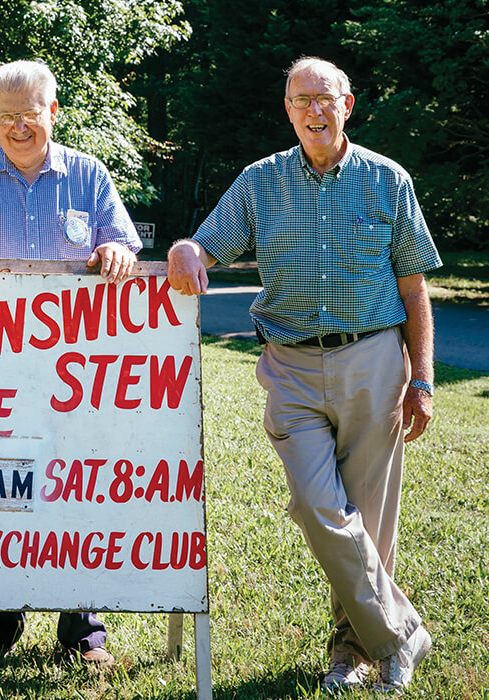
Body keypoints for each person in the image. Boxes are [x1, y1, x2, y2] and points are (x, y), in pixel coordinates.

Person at [167, 57, 440, 693]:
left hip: (373, 360)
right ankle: (401, 633)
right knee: (318, 506)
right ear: (287, 110)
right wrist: (185, 249)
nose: (313, 110)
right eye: (299, 100)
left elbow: (414, 284)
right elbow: (205, 249)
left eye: (324, 98)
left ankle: (355, 650)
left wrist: (421, 379)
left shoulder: (387, 179)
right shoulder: (261, 183)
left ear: (348, 104)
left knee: (367, 521)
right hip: (289, 369)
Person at [0, 59, 142, 666]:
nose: (20, 126)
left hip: (76, 372)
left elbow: (121, 242)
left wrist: (113, 251)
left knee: (80, 484)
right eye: (7, 116)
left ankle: (82, 623)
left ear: (54, 112)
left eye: (31, 114)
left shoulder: (90, 175)